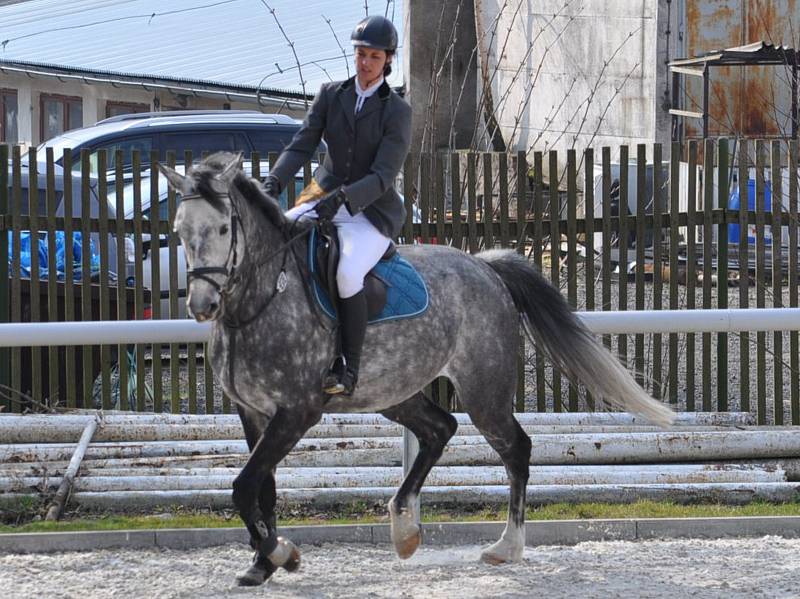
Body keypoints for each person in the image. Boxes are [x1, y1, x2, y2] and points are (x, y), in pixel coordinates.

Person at [264, 15, 412, 397]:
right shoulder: (331, 94)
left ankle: (348, 365)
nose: (364, 63)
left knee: (348, 274)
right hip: (322, 195)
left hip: (371, 211)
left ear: (388, 60)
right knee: (276, 238)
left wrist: (344, 199)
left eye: (373, 57)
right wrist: (274, 182)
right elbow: (302, 143)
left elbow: (383, 174)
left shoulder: (397, 111)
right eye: (361, 54)